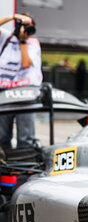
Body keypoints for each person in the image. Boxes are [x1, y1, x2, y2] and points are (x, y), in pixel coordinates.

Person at [0, 13, 42, 149]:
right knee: (2, 134)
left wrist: (23, 41)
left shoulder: (33, 42)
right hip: (4, 91)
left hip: (26, 92)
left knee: (26, 135)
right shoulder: (6, 37)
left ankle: (25, 164)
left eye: (31, 26)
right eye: (25, 26)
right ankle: (4, 164)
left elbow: (26, 63)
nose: (28, 29)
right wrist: (12, 17)